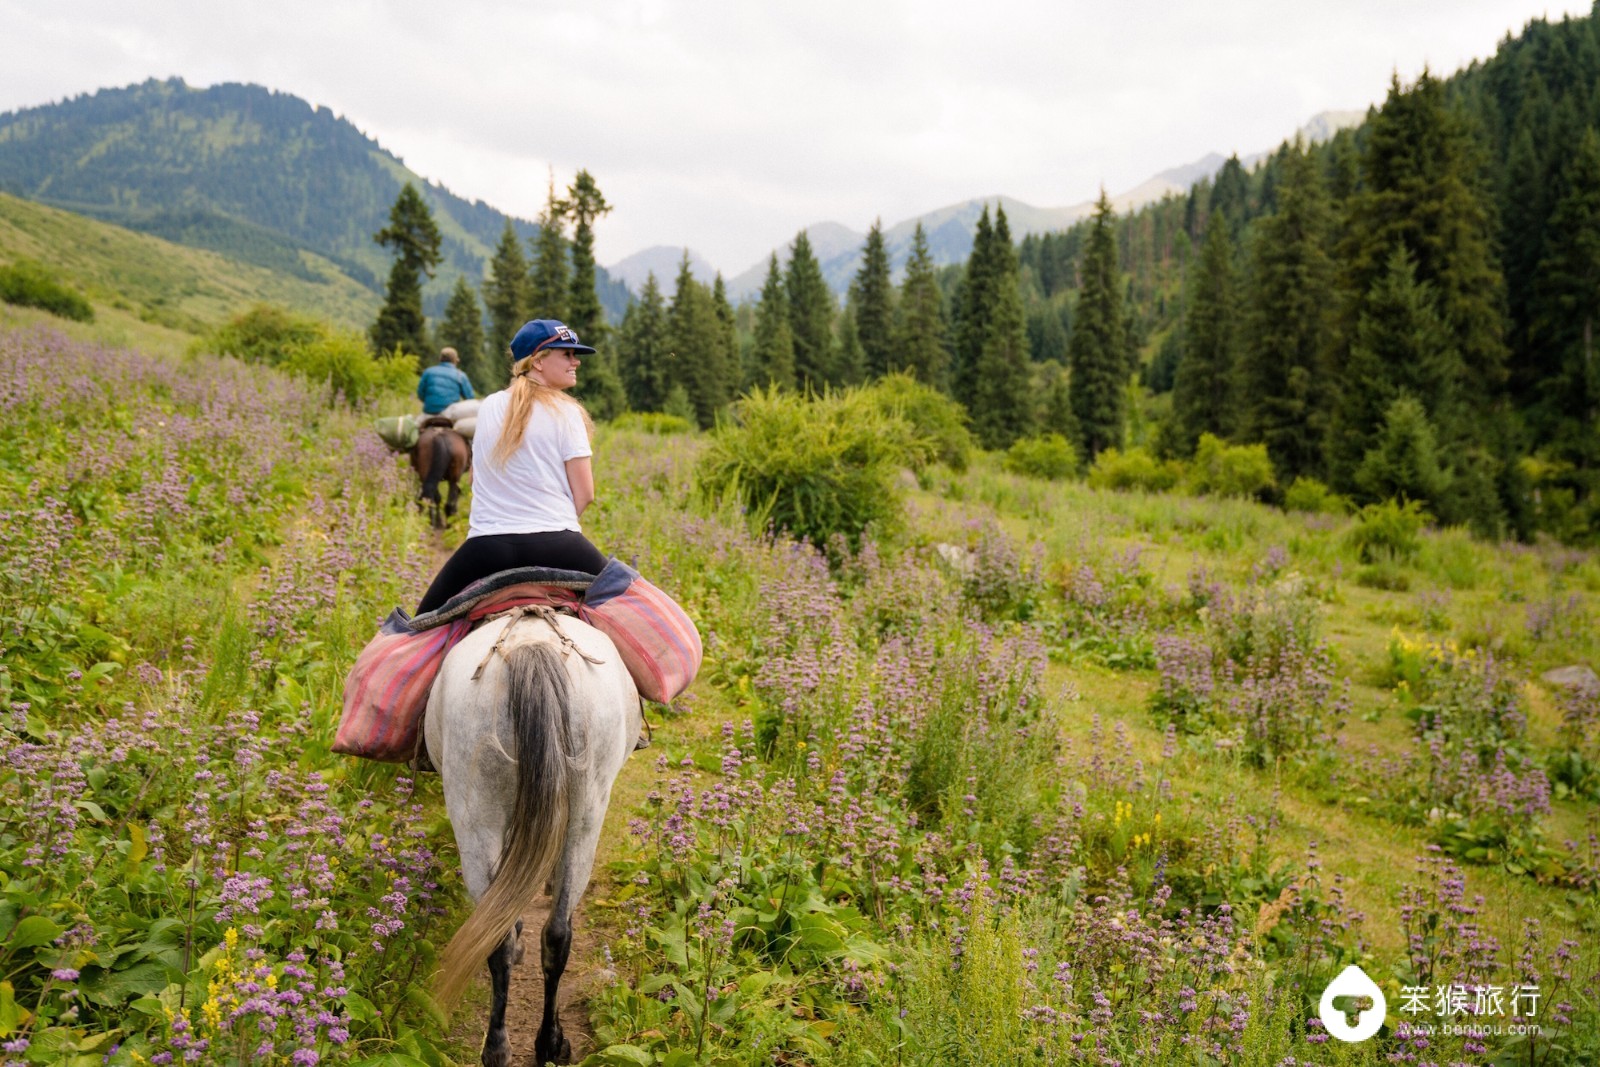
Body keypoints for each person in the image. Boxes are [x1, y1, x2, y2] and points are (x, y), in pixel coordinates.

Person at [415, 320, 607, 615]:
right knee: (646, 611)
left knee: (417, 625)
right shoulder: (567, 411)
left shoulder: (489, 405)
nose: (576, 361)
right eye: (567, 354)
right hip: (559, 544)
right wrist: (548, 530)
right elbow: (585, 494)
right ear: (539, 361)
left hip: (486, 547)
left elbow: (476, 478)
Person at [417, 347, 475, 415]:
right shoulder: (460, 375)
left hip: (429, 412)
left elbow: (420, 394)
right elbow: (470, 398)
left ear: (440, 359)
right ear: (455, 361)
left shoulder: (428, 372)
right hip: (450, 414)